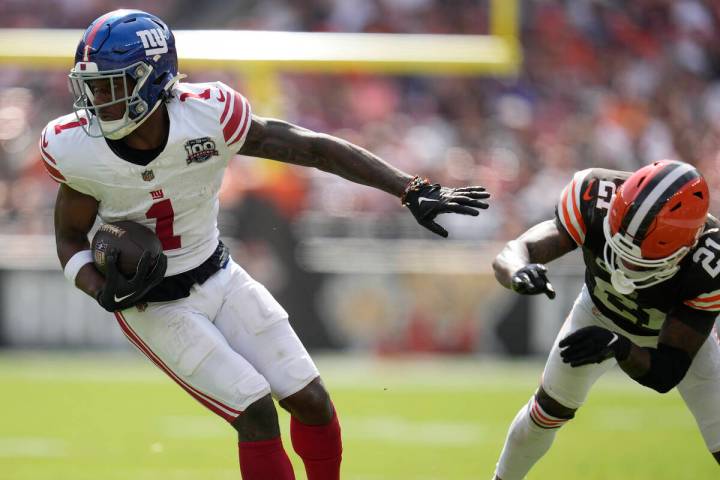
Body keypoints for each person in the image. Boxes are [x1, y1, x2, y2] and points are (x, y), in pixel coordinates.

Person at [41, 9, 490, 480]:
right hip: (153, 304)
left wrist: (408, 188)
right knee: (255, 410)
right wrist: (98, 288)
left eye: (111, 86)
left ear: (153, 79)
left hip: (218, 273)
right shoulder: (75, 146)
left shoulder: (208, 115)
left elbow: (310, 147)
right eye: (91, 87)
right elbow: (69, 235)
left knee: (312, 402)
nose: (97, 101)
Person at [490, 160, 720, 479]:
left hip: (667, 335)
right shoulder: (594, 195)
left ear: (684, 250)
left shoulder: (710, 259)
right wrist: (518, 271)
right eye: (620, 245)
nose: (623, 265)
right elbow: (516, 250)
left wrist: (620, 347)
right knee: (544, 415)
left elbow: (667, 372)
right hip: (596, 312)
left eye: (638, 260)